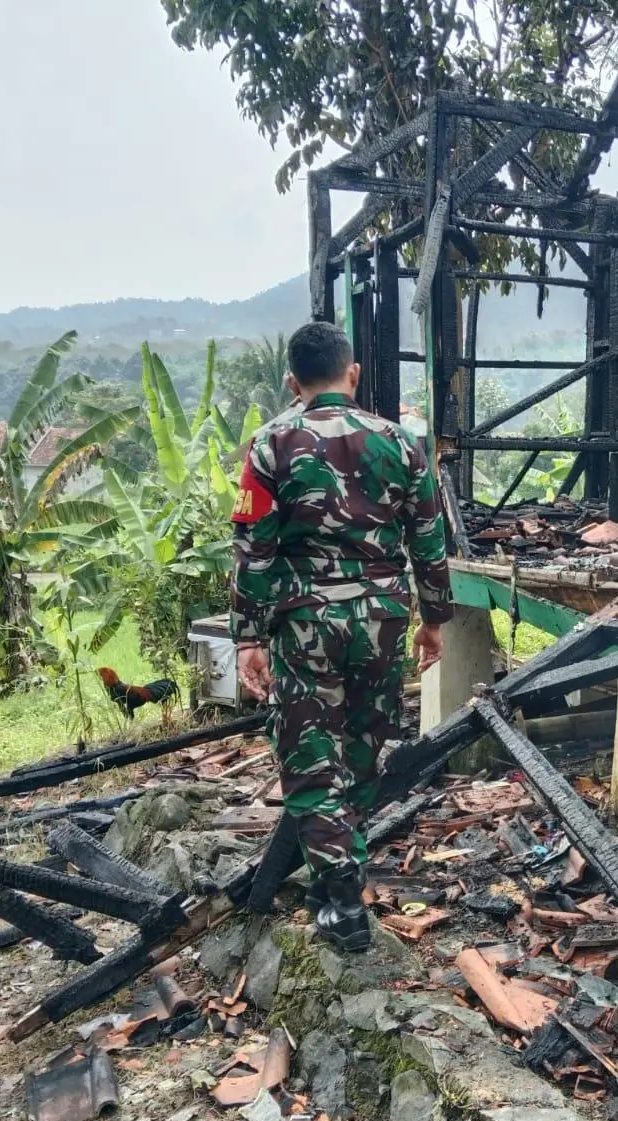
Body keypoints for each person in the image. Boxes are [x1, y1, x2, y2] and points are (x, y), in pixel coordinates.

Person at [230, 321, 453, 953]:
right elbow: (430, 539)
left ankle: (341, 892)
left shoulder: (271, 443)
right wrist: (433, 621)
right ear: (352, 374)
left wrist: (248, 636)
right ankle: (335, 876)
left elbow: (254, 552)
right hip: (382, 617)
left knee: (306, 753)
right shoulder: (400, 442)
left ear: (293, 381)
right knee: (362, 743)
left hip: (306, 621)